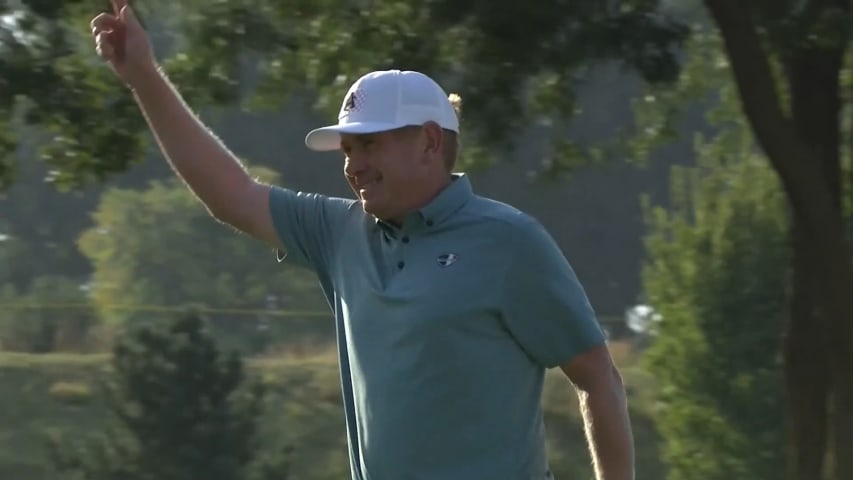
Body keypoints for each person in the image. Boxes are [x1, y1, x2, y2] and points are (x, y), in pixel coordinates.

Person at [90, 1, 635, 479]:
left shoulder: (510, 242)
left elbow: (598, 380)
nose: (353, 166)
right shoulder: (339, 233)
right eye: (348, 151)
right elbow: (230, 194)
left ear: (427, 142)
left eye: (369, 146)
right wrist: (143, 76)